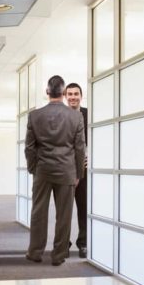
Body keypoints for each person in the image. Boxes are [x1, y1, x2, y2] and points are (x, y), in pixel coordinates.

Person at [24, 75, 86, 266]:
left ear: (47, 92)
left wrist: (34, 168)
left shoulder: (35, 115)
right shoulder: (76, 116)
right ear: (64, 92)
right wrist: (78, 174)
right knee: (64, 215)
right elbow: (79, 148)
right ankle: (58, 255)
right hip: (66, 172)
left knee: (38, 212)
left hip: (42, 171)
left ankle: (35, 252)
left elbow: (29, 147)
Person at [64, 83, 89, 259]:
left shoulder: (90, 114)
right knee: (64, 210)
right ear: (65, 96)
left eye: (76, 94)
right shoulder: (60, 116)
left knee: (84, 208)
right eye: (70, 94)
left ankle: (84, 244)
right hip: (65, 170)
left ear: (81, 95)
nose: (73, 97)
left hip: (85, 170)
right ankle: (63, 245)